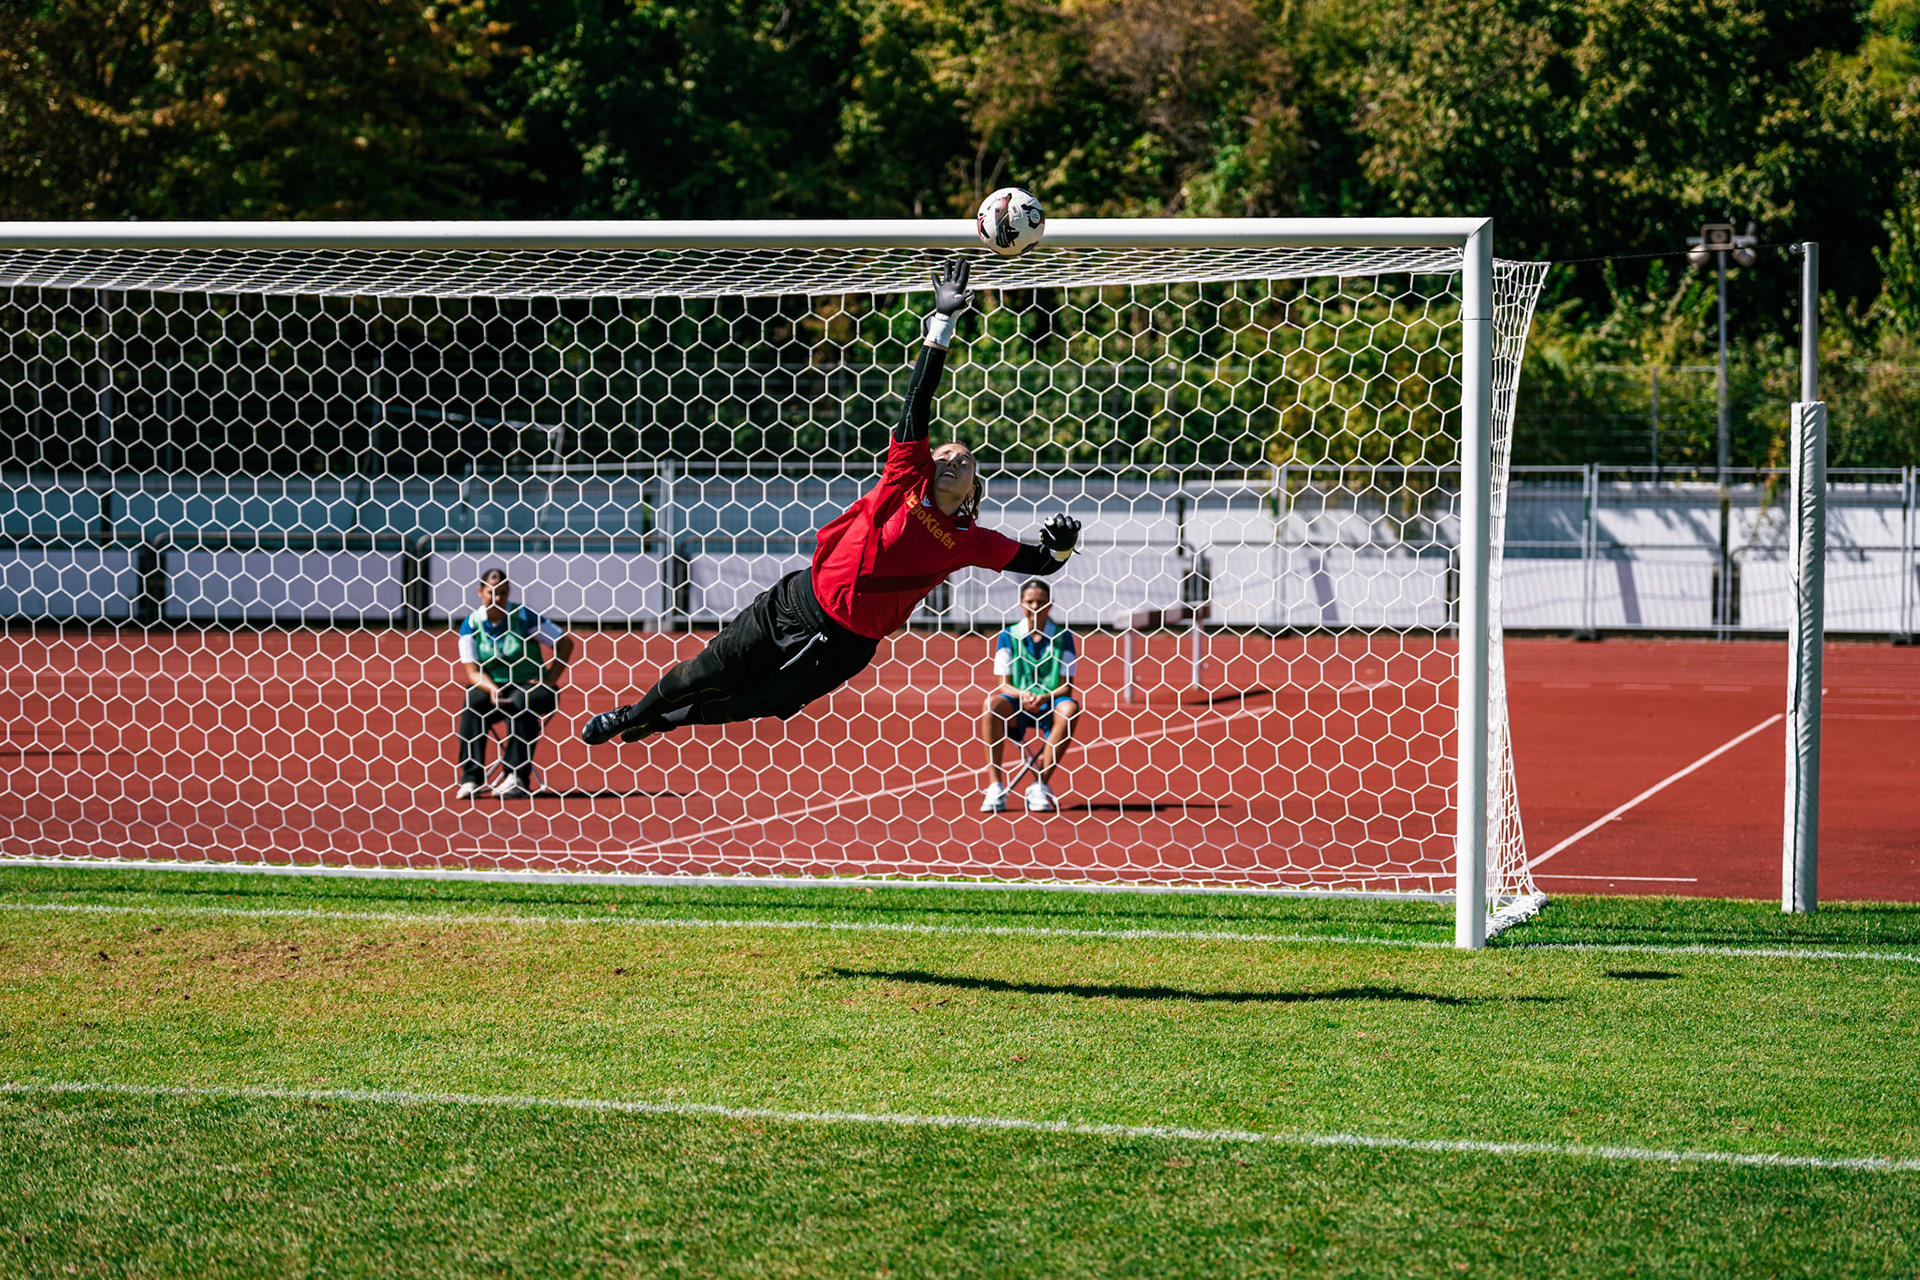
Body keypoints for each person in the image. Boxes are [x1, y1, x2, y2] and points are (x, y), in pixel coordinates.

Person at [581, 258, 1082, 745]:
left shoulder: (971, 541)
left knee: (754, 703)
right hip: (797, 603)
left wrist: (1060, 548)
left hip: (845, 649)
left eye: (965, 459)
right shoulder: (906, 476)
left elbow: (1039, 562)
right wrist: (942, 320)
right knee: (705, 670)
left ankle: (668, 722)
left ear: (974, 489)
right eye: (945, 451)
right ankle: (631, 714)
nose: (951, 458)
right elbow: (918, 401)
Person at [454, 568, 575, 799]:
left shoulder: (522, 617)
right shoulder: (471, 624)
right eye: (492, 593)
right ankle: (471, 778)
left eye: (503, 593)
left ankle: (516, 776)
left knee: (523, 700)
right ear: (480, 592)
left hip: (529, 686)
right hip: (494, 686)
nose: (497, 598)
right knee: (472, 702)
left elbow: (565, 642)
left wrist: (549, 679)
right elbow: (472, 672)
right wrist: (491, 688)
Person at [979, 578, 1080, 813]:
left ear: (1050, 604)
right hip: (1017, 703)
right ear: (1021, 604)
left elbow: (1067, 687)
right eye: (1030, 601)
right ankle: (995, 785)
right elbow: (1003, 684)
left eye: (1041, 602)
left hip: (1050, 703)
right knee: (990, 704)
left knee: (1070, 709)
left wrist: (1044, 697)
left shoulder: (1063, 637)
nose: (1035, 606)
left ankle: (1040, 784)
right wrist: (1023, 694)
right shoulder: (1008, 635)